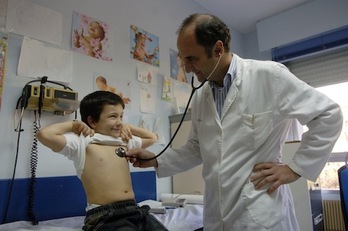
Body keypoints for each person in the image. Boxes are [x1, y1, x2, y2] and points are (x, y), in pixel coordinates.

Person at [126, 13, 343, 230]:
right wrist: (155, 160)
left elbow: (328, 115)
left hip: (260, 213)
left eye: (192, 59)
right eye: (184, 60)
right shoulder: (202, 95)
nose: (187, 68)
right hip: (216, 215)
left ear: (218, 50)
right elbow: (197, 148)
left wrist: (295, 168)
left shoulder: (269, 76)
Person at [37, 91, 167, 231]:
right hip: (105, 215)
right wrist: (72, 125)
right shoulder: (82, 142)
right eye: (113, 116)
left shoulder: (124, 141)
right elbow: (44, 135)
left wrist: (129, 127)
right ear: (92, 121)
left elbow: (153, 138)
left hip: (134, 209)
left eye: (121, 116)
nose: (119, 122)